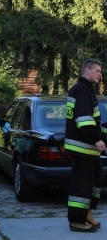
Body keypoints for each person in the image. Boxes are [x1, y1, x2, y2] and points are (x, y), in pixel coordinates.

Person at [64, 58, 106, 233]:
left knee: (93, 181)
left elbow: (95, 122)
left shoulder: (85, 90)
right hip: (83, 148)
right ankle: (77, 221)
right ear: (87, 71)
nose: (100, 74)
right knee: (81, 185)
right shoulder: (81, 90)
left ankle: (86, 213)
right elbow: (83, 121)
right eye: (97, 71)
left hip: (88, 149)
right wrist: (97, 139)